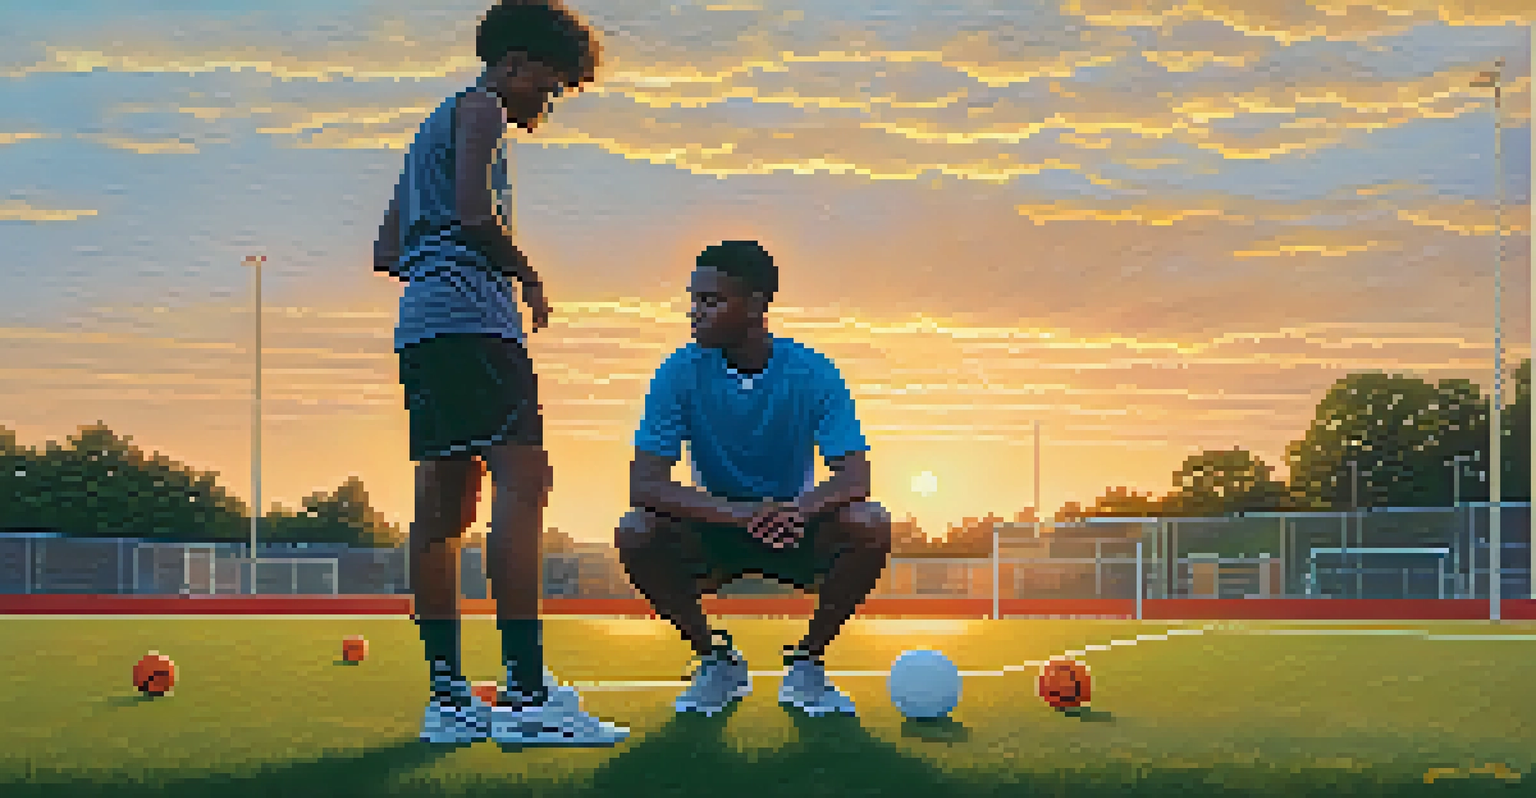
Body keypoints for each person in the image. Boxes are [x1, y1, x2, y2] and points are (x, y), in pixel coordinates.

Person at [372, 0, 626, 747]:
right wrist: (527, 276)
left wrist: (435, 267)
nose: (549, 100)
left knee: (441, 510)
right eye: (549, 84)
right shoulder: (481, 108)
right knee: (523, 481)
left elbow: (386, 249)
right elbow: (474, 214)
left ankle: (450, 699)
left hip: (423, 328)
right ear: (513, 62)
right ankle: (525, 692)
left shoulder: (430, 129)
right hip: (476, 324)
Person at [616, 240, 894, 718]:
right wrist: (743, 515)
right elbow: (645, 485)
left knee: (871, 522)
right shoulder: (678, 372)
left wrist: (796, 511)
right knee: (635, 530)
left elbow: (855, 477)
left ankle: (807, 663)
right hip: (716, 532)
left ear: (755, 305)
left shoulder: (812, 371)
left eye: (711, 301)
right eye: (694, 300)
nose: (695, 312)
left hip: (793, 531)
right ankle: (715, 660)